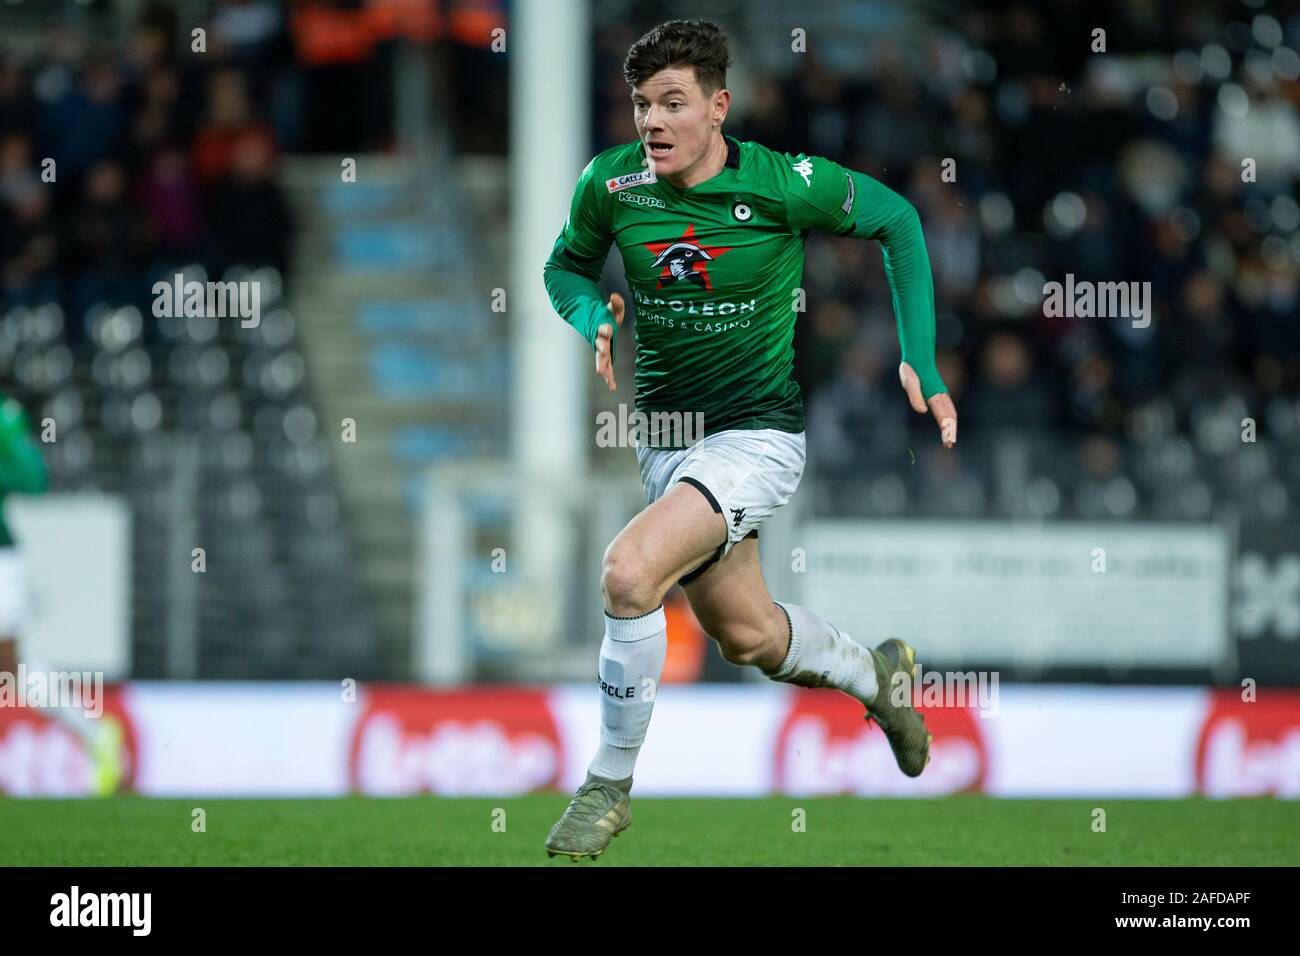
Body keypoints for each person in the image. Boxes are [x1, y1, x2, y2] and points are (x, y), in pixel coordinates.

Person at [542, 19, 958, 860]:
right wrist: (592, 315)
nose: (651, 123)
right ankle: (877, 679)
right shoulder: (611, 184)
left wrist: (920, 357)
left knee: (628, 576)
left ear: (718, 107)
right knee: (751, 638)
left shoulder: (783, 183)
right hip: (666, 443)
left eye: (672, 103)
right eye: (639, 105)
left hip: (756, 437)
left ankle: (607, 785)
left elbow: (899, 221)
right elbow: (564, 267)